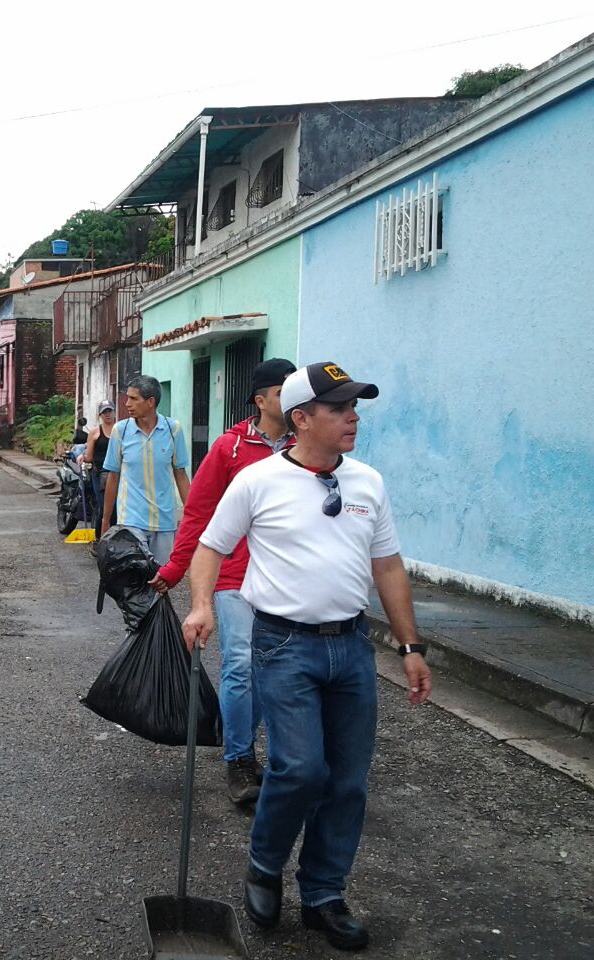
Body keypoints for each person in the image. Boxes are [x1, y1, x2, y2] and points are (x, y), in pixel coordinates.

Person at [181, 361, 432, 952]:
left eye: (355, 408)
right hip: (284, 644)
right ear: (301, 418)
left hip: (351, 647)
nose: (353, 418)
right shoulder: (258, 481)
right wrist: (201, 606)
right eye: (340, 409)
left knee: (347, 781)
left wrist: (411, 646)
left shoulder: (368, 481)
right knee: (301, 769)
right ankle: (265, 865)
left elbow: (388, 566)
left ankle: (323, 893)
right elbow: (208, 547)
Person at [149, 358, 296, 805]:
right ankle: (239, 759)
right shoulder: (229, 449)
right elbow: (198, 513)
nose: (293, 401)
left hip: (287, 581)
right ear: (262, 400)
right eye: (283, 393)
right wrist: (176, 570)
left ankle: (283, 757)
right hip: (234, 575)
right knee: (241, 662)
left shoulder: (306, 445)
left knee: (280, 669)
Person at [100, 375, 190, 565]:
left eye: (134, 399)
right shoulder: (120, 431)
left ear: (150, 402)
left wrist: (192, 518)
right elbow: (113, 477)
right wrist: (106, 521)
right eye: (127, 398)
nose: (127, 404)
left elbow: (180, 475)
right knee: (132, 581)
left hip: (164, 521)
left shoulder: (173, 430)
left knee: (161, 580)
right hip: (130, 521)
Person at [82, 401, 117, 532]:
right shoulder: (95, 432)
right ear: (100, 415)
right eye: (104, 412)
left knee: (119, 507)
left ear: (114, 412)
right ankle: (98, 538)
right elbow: (89, 456)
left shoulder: (120, 430)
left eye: (110, 411)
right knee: (104, 507)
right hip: (101, 473)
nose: (108, 415)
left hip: (119, 473)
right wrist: (82, 457)